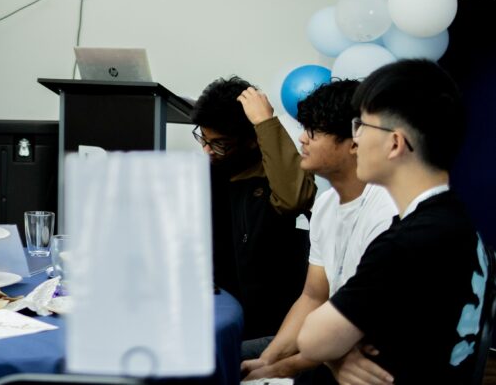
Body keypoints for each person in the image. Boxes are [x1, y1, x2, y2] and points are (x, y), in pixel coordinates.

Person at [298, 60, 493, 385]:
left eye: (362, 126)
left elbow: (312, 339)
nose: (355, 140)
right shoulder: (456, 220)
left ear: (395, 143)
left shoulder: (406, 242)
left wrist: (336, 351)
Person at [240, 80, 397, 383]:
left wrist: (286, 367)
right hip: (333, 346)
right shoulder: (326, 204)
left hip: (370, 358)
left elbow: (376, 324)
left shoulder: (388, 211)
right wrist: (266, 361)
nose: (302, 139)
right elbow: (313, 296)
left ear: (354, 142)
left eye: (313, 131)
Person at [191, 77, 315, 345]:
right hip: (212, 320)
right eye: (203, 138)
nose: (207, 150)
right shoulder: (206, 175)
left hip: (267, 330)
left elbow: (295, 199)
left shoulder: (273, 177)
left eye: (219, 144)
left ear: (252, 140)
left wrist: (265, 123)